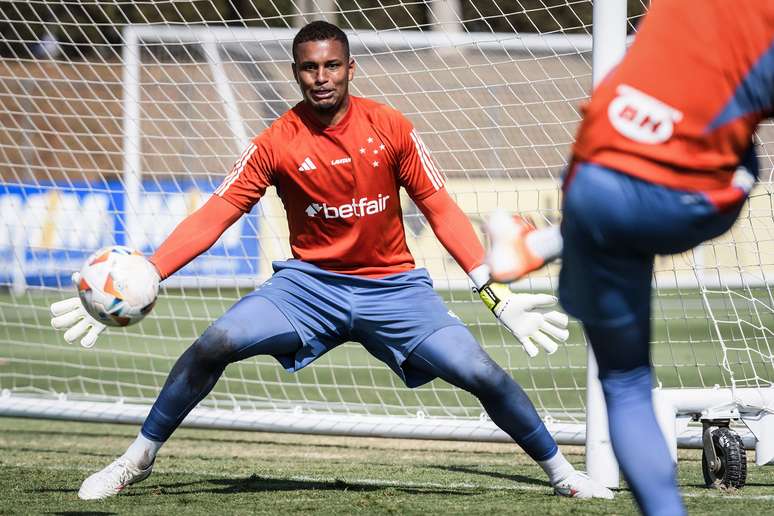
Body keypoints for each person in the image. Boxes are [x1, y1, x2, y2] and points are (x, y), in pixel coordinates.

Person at [50, 21, 613, 501]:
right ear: (296, 72)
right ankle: (137, 459)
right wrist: (151, 271)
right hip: (308, 288)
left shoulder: (391, 128)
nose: (321, 77)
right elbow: (219, 211)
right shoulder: (275, 141)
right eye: (309, 68)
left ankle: (563, 475)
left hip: (394, 289)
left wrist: (496, 295)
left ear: (350, 68)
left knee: (481, 373)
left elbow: (440, 209)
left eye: (332, 66)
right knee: (214, 343)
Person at [486, 1, 774, 514]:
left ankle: (543, 242)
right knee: (745, 159)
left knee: (625, 383)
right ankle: (546, 243)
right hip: (683, 200)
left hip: (593, 178)